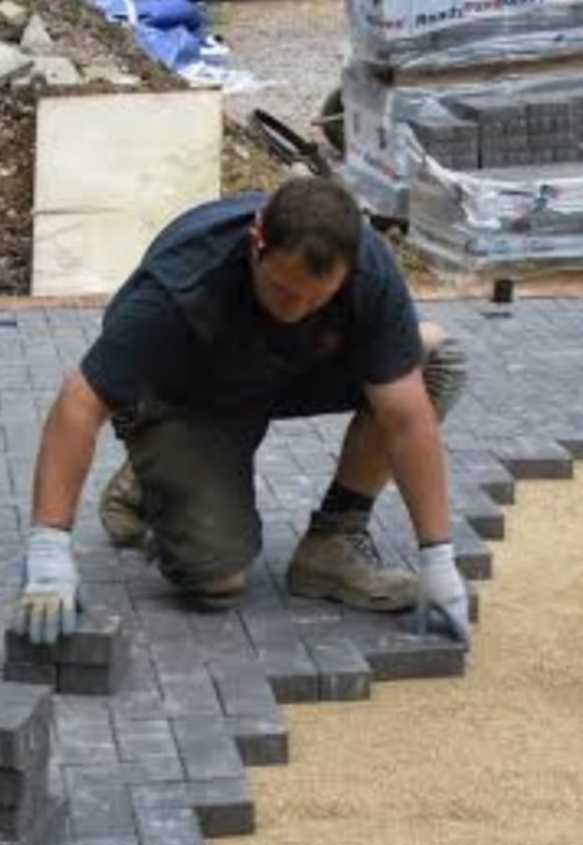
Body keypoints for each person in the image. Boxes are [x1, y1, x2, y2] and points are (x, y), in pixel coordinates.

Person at [12, 176, 470, 646]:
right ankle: (157, 468)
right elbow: (79, 403)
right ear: (257, 242)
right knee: (215, 577)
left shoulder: (367, 269)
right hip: (184, 396)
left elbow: (405, 419)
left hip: (281, 372)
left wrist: (437, 556)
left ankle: (333, 542)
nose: (296, 309)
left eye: (317, 298)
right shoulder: (179, 285)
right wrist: (50, 548)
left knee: (434, 359)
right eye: (282, 290)